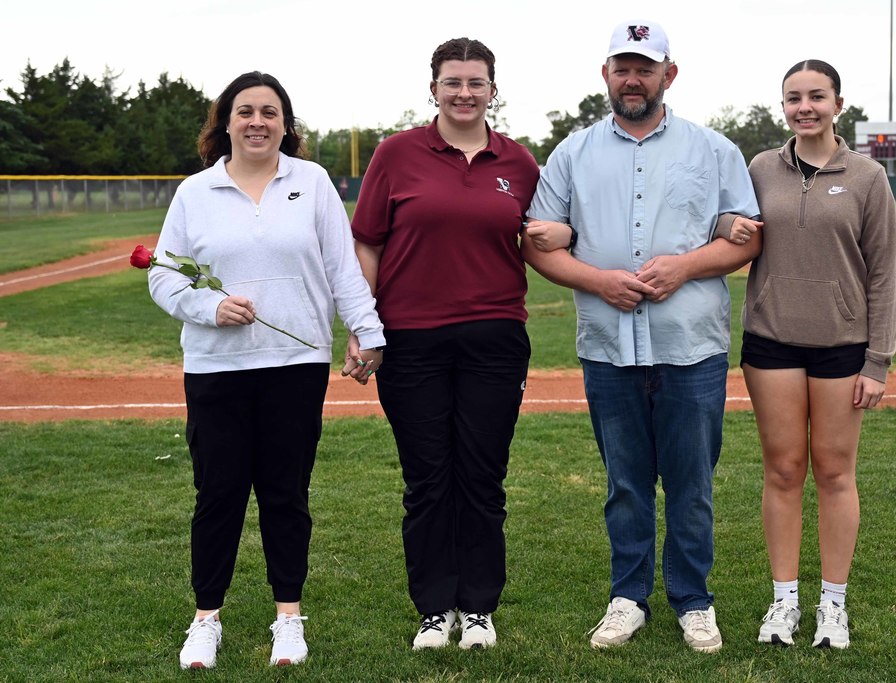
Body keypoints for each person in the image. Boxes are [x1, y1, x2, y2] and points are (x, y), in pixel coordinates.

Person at [522, 21, 761, 653]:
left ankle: (693, 599)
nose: (633, 78)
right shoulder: (571, 153)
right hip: (607, 344)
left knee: (691, 483)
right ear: (605, 74)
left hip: (691, 345)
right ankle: (628, 597)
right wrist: (599, 281)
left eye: (646, 67)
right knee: (625, 483)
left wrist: (684, 266)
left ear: (668, 75)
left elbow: (748, 235)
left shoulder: (714, 150)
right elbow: (539, 240)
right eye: (622, 67)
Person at [149, 71, 385, 669]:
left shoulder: (312, 183)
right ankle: (206, 620)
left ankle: (289, 618)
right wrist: (209, 306)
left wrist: (368, 331)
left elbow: (341, 268)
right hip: (215, 367)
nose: (258, 122)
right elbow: (164, 274)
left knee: (285, 494)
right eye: (246, 111)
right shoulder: (194, 193)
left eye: (270, 112)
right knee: (219, 494)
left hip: (296, 364)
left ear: (286, 123)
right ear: (225, 122)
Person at [350, 37, 539, 650]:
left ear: (492, 89)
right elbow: (369, 244)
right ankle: (435, 609)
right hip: (411, 341)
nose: (464, 93)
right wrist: (364, 328)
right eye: (452, 82)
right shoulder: (396, 154)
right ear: (432, 87)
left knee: (482, 478)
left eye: (475, 83)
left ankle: (479, 609)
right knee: (428, 479)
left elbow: (545, 238)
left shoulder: (519, 163)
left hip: (494, 339)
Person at [718, 59, 896, 650]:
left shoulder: (868, 177)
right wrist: (728, 222)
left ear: (838, 104)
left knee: (835, 471)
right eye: (794, 97)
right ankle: (784, 602)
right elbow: (731, 224)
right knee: (783, 469)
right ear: (784, 106)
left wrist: (878, 361)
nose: (805, 107)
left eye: (816, 96)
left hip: (842, 347)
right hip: (770, 341)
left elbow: (883, 275)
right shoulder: (760, 167)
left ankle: (833, 605)